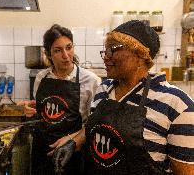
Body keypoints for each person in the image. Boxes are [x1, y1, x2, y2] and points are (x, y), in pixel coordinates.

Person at [52, 20, 194, 175]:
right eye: (105, 51)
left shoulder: (177, 105)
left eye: (113, 49)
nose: (106, 57)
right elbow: (95, 127)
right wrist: (74, 142)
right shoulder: (104, 88)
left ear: (141, 55)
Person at [17, 24, 101, 175]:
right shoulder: (41, 77)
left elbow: (94, 123)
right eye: (58, 50)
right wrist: (28, 110)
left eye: (69, 47)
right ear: (48, 54)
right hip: (42, 149)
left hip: (72, 151)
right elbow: (42, 112)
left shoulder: (91, 80)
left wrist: (71, 139)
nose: (66, 55)